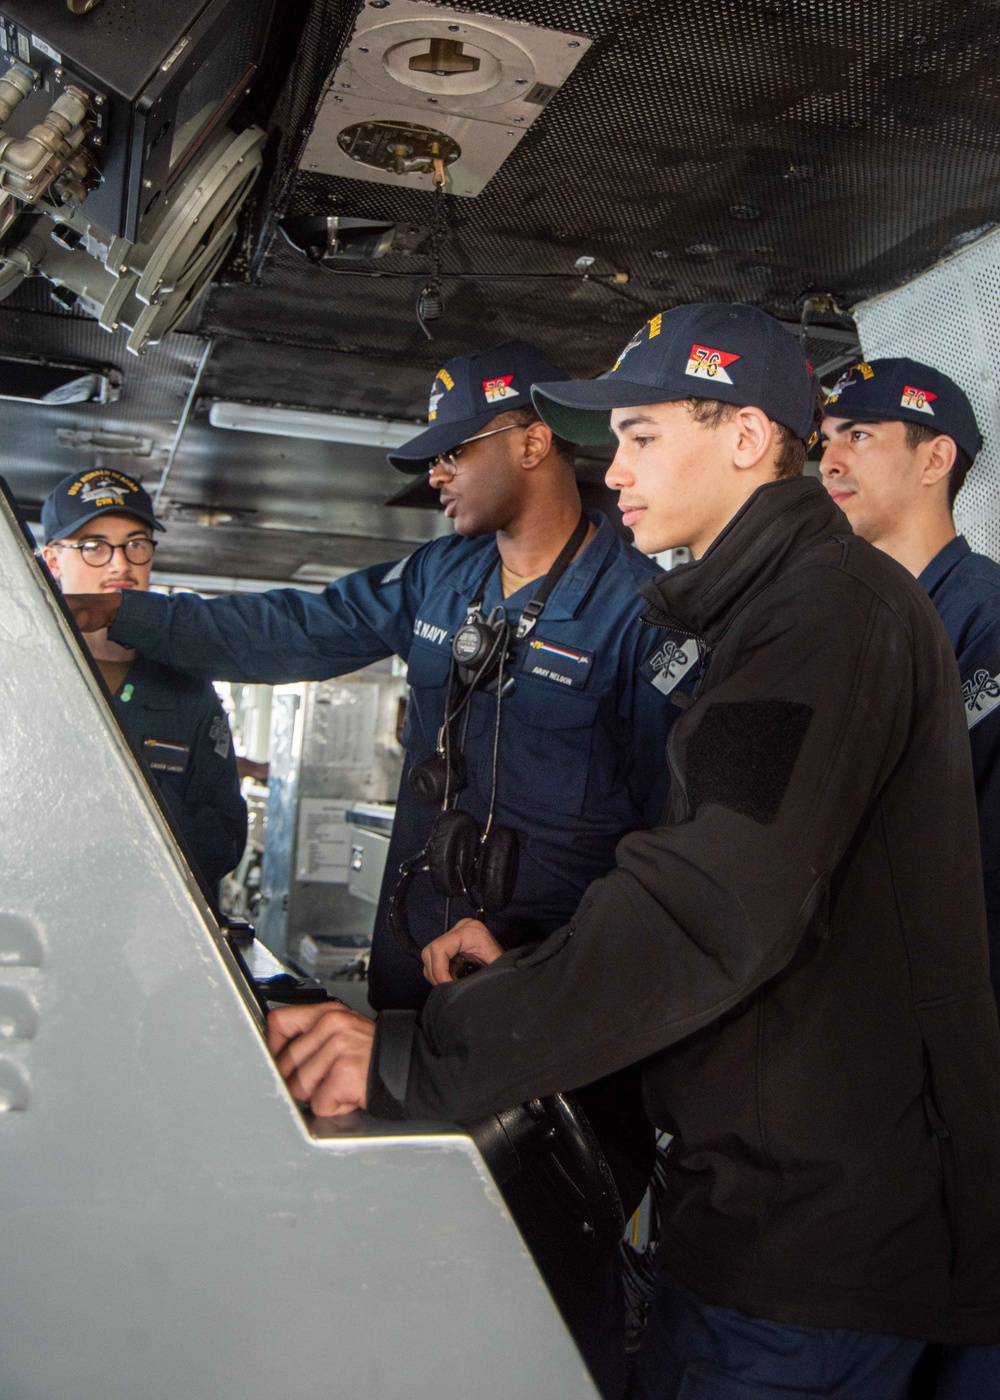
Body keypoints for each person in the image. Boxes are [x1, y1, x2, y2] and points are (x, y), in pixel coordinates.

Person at [267, 304, 1000, 1399]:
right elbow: (733, 874)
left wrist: (419, 1056)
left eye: (646, 436)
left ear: (748, 436)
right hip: (758, 1213)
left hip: (802, 1258)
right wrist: (535, 959)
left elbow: (709, 904)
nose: (613, 471)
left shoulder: (819, 619)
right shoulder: (774, 614)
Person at [61, 341, 681, 1398]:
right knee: (425, 1250)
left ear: (533, 442)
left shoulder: (640, 608)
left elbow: (664, 841)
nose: (434, 472)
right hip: (417, 987)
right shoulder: (439, 575)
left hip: (553, 1008)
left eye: (453, 450)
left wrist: (546, 954)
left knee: (550, 1266)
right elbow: (293, 627)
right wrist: (124, 612)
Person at [819, 358, 1000, 1399]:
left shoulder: (981, 622)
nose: (830, 456)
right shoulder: (848, 619)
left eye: (861, 437)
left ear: (936, 460)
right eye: (827, 435)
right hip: (861, 1076)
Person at [41, 468, 247, 894]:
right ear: (53, 559)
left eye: (135, 544)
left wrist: (125, 803)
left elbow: (223, 841)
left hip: (155, 931)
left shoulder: (187, 683)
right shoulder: (22, 672)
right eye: (94, 546)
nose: (120, 563)